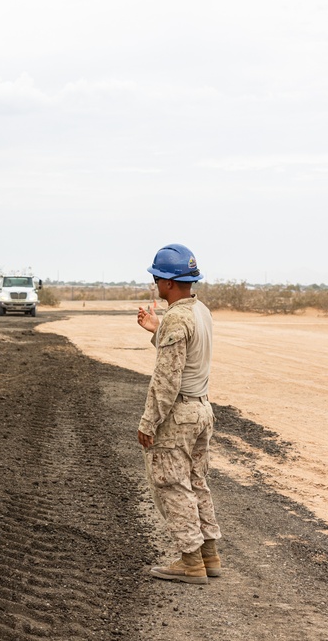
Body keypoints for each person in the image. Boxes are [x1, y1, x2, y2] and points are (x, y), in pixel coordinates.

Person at [136, 243, 222, 585]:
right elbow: (185, 352)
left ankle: (189, 561)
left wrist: (148, 421)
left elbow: (167, 378)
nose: (155, 283)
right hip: (202, 408)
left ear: (168, 282)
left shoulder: (177, 317)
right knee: (198, 482)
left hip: (179, 414)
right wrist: (156, 329)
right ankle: (208, 556)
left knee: (172, 484)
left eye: (157, 278)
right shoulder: (201, 311)